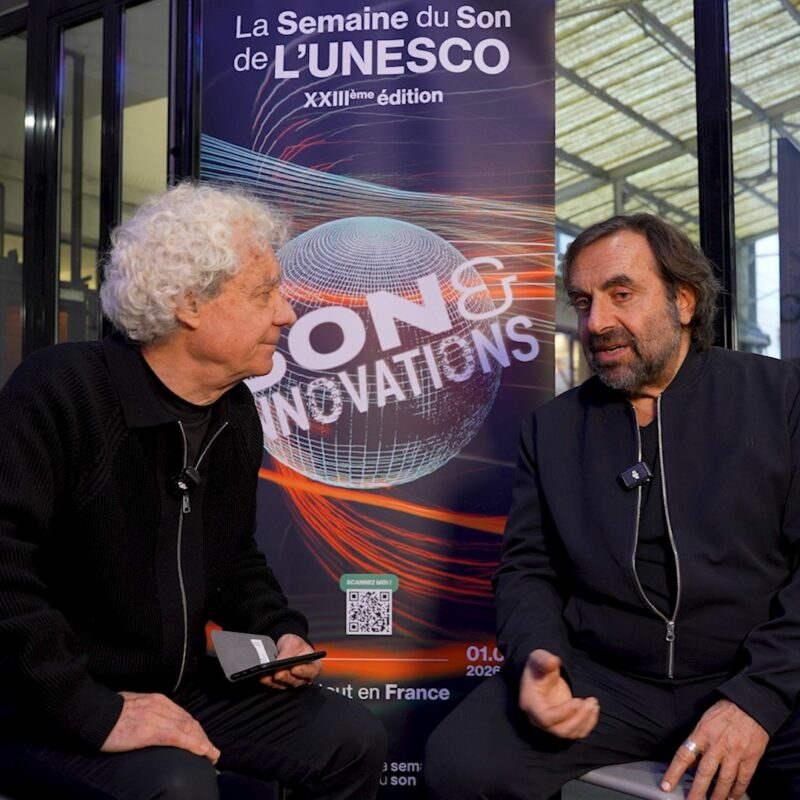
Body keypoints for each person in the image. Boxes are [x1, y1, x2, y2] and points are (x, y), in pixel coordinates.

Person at [0, 182, 386, 799]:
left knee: (349, 739)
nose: (286, 314)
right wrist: (93, 711)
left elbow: (231, 554)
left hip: (177, 687)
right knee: (177, 784)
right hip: (47, 700)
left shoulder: (236, 411)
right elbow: (4, 570)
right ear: (189, 304)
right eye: (264, 293)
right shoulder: (60, 390)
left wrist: (275, 630)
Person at [424, 214, 800, 800]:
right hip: (609, 685)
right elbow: (528, 570)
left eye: (620, 294)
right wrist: (539, 658)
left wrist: (758, 699)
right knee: (461, 763)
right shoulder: (551, 429)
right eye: (583, 301)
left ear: (683, 300)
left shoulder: (779, 398)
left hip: (754, 673)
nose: (596, 322)